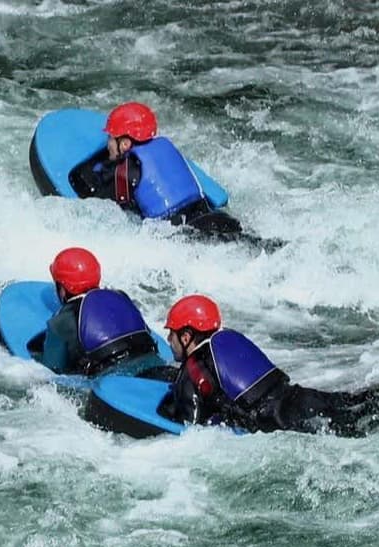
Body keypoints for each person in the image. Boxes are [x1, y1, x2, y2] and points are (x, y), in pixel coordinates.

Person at [161, 294, 370, 436]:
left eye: (172, 333)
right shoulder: (230, 339)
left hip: (282, 423)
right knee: (366, 410)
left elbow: (191, 431)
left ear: (186, 337)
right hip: (304, 398)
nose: (169, 339)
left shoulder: (193, 369)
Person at [67, 102, 244, 237]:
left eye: (111, 139)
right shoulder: (166, 146)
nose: (108, 144)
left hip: (186, 236)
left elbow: (93, 201)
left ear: (125, 144)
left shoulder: (126, 171)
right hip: (216, 219)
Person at [37, 247, 167, 376]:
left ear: (62, 290)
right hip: (151, 360)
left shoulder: (61, 320)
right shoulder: (120, 296)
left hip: (111, 379)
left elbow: (52, 370)